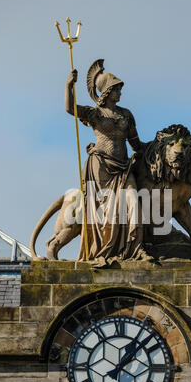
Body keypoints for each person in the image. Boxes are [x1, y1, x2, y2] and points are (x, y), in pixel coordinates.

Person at [65, 59, 152, 262]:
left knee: (133, 202)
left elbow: (136, 144)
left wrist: (154, 147)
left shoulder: (126, 114)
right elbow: (70, 109)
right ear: (107, 91)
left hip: (123, 168)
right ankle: (107, 247)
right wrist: (69, 86)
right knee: (106, 212)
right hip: (101, 167)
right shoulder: (95, 113)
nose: (120, 93)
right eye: (116, 89)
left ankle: (136, 249)